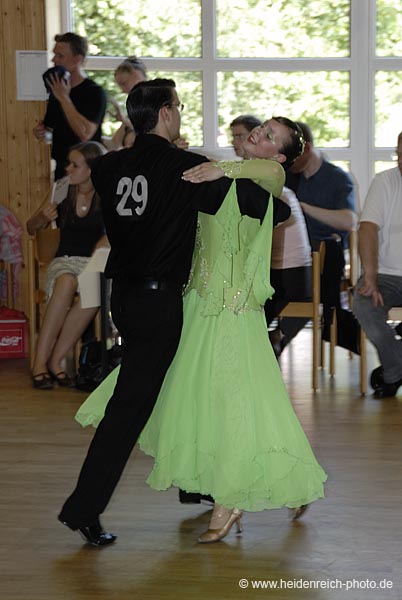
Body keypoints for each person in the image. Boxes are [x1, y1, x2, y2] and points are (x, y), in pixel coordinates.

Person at [74, 115, 327, 545]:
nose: (257, 135)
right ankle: (275, 483)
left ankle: (230, 500)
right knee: (194, 398)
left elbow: (263, 173)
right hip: (195, 304)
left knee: (233, 402)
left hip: (233, 309)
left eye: (269, 136)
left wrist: (218, 165)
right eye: (259, 128)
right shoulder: (213, 174)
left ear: (280, 154)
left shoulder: (269, 176)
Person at [27, 141, 108, 390]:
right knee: (66, 281)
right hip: (64, 260)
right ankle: (39, 363)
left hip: (93, 261)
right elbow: (31, 227)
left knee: (93, 292)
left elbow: (114, 233)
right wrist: (43, 218)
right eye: (69, 163)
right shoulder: (62, 190)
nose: (68, 169)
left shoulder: (106, 194)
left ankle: (55, 361)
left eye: (75, 165)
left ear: (91, 169)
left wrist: (102, 248)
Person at [353, 132, 402, 399]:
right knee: (363, 303)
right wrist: (369, 276)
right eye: (400, 154)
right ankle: (395, 370)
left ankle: (394, 372)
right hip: (386, 275)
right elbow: (368, 228)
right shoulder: (385, 181)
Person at [33, 32, 107, 180]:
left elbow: (85, 133)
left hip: (86, 171)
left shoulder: (94, 92)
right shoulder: (57, 90)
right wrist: (43, 133)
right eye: (54, 55)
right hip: (62, 168)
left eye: (60, 56)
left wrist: (64, 99)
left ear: (77, 59)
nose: (54, 60)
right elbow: (52, 130)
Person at [286, 121, 357, 249]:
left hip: (329, 253)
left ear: (307, 148)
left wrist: (302, 207)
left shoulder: (338, 177)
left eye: (292, 156)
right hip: (296, 250)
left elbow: (349, 221)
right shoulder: (288, 176)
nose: (287, 160)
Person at [265, 185, 313, 357]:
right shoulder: (286, 193)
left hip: (282, 271)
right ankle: (276, 336)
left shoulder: (276, 194)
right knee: (310, 302)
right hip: (297, 269)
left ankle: (271, 337)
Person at [105, 56, 147, 150]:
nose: (122, 91)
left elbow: (149, 132)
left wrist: (124, 120)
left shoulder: (153, 100)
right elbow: (114, 144)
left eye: (123, 83)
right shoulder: (135, 107)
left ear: (135, 75)